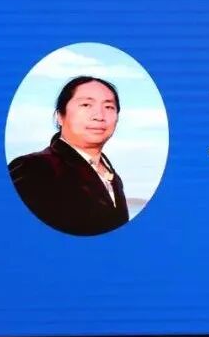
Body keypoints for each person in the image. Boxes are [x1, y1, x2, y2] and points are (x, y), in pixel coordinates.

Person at [8, 76, 129, 236]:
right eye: (86, 105)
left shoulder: (113, 177)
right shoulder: (33, 168)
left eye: (108, 107)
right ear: (60, 116)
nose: (99, 116)